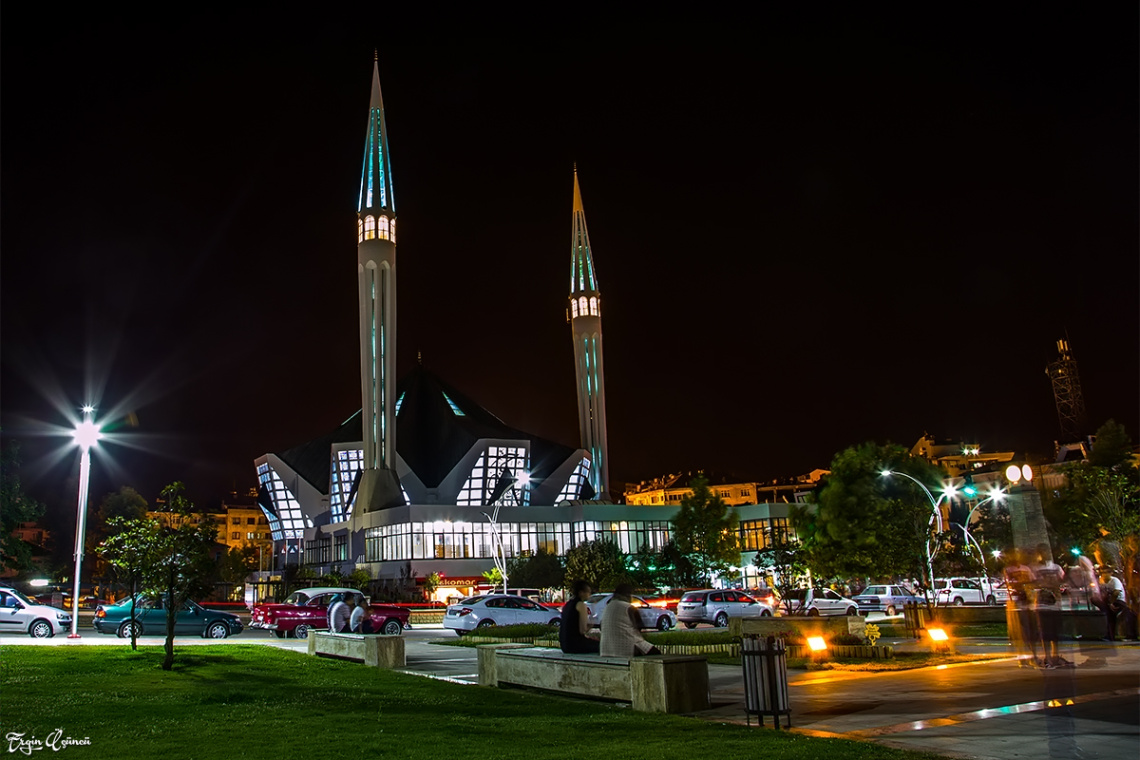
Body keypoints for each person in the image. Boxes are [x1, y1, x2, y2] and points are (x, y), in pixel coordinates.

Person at [600, 583, 660, 658]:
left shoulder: (607, 607)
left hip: (606, 650)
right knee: (656, 653)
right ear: (628, 595)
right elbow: (639, 627)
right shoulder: (629, 607)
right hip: (626, 647)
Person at [560, 580, 600, 654]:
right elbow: (582, 630)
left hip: (565, 645)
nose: (589, 594)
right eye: (588, 592)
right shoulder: (581, 605)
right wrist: (591, 625)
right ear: (581, 593)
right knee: (601, 646)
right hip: (576, 645)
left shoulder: (567, 604)